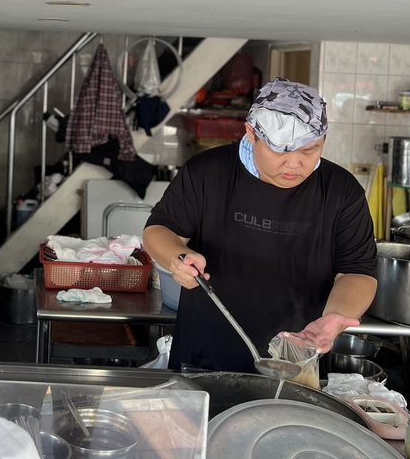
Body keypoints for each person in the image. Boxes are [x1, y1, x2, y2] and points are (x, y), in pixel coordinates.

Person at [143, 77, 378, 373]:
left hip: (299, 357)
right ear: (251, 133)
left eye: (309, 150)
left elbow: (357, 271)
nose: (294, 164)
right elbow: (159, 230)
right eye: (280, 151)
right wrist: (177, 258)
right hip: (204, 354)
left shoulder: (341, 190)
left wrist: (335, 317)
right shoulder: (208, 172)